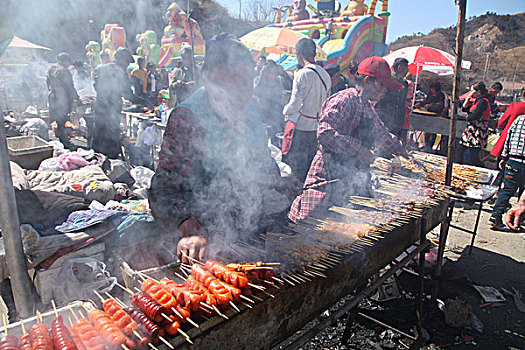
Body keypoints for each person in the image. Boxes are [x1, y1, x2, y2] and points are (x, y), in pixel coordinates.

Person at [148, 37, 295, 264]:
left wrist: (277, 181)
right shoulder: (188, 118)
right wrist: (189, 228)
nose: (238, 94)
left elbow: (260, 160)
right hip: (206, 244)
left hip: (249, 231)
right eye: (228, 84)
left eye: (245, 82)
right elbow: (165, 189)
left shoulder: (251, 110)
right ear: (207, 79)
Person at [288, 56, 410, 223]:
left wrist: (399, 149)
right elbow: (324, 134)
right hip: (327, 178)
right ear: (368, 81)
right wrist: (359, 150)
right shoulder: (346, 99)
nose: (385, 91)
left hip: (346, 179)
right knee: (309, 229)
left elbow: (382, 134)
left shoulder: (367, 106)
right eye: (383, 85)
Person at [282, 38, 331, 182]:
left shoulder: (302, 74)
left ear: (298, 54)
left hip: (301, 129)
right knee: (310, 168)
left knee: (296, 170)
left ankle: (296, 199)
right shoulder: (326, 75)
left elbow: (295, 104)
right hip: (316, 129)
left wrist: (284, 111)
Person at [92, 47, 137, 158]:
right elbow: (127, 93)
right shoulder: (120, 72)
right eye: (127, 62)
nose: (127, 65)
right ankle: (111, 159)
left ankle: (93, 157)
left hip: (100, 105)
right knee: (112, 133)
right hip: (112, 107)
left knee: (98, 131)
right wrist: (142, 101)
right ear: (123, 59)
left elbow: (95, 85)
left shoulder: (101, 68)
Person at [489, 113, 525, 230]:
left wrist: (504, 157)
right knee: (522, 193)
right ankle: (519, 219)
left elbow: (508, 137)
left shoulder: (519, 119)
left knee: (507, 190)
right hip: (522, 161)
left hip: (513, 160)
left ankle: (495, 216)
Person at [46, 52, 79, 149]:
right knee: (62, 118)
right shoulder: (64, 70)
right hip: (61, 96)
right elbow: (69, 86)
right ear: (65, 61)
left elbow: (47, 82)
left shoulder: (51, 68)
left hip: (52, 95)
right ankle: (64, 141)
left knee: (57, 117)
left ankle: (61, 138)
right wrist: (76, 97)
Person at [374, 57, 409, 141]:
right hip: (385, 115)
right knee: (382, 140)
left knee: (393, 141)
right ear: (400, 67)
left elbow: (402, 102)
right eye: (406, 67)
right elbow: (380, 96)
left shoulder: (405, 83)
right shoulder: (388, 79)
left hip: (397, 118)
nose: (407, 70)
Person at [459, 82, 491, 167]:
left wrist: (467, 117)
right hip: (470, 130)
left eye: (473, 91)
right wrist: (467, 99)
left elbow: (474, 115)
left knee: (474, 155)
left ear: (479, 91)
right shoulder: (476, 101)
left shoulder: (483, 101)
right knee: (460, 151)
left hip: (478, 130)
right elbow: (464, 109)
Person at [254, 60, 284, 145]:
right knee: (263, 140)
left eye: (274, 72)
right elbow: (255, 92)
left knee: (276, 141)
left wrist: (283, 73)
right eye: (270, 72)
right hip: (264, 115)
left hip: (277, 115)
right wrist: (261, 77)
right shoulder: (259, 80)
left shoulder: (279, 81)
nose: (272, 75)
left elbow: (287, 89)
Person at [416, 81, 445, 152]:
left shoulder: (441, 95)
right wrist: (419, 104)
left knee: (433, 131)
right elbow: (426, 102)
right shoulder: (430, 95)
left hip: (436, 115)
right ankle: (426, 145)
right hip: (428, 114)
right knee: (426, 130)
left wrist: (431, 105)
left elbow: (441, 105)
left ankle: (430, 146)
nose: (432, 90)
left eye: (433, 88)